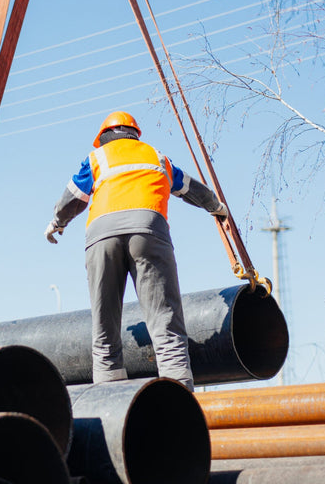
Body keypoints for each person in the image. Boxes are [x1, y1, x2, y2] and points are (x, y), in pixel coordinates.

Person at [44, 111, 228, 391]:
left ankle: (111, 410)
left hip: (101, 236)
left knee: (104, 333)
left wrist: (57, 223)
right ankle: (180, 409)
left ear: (103, 138)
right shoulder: (155, 156)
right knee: (166, 326)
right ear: (135, 134)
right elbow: (190, 188)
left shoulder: (97, 158)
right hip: (149, 228)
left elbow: (72, 198)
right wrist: (216, 206)